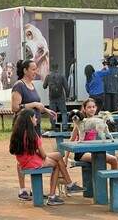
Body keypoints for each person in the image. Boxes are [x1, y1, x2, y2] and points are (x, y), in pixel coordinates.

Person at [9, 109, 85, 206]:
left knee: (58, 155)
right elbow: (43, 155)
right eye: (34, 117)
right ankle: (52, 196)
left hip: (24, 160)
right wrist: (44, 157)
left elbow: (30, 151)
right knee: (56, 165)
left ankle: (69, 184)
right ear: (29, 119)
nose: (36, 119)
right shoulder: (32, 135)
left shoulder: (17, 133)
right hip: (33, 162)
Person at [11, 59, 57, 201]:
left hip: (34, 126)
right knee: (23, 155)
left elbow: (37, 106)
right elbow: (15, 108)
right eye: (33, 69)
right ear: (25, 70)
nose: (35, 71)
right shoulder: (19, 85)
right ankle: (23, 189)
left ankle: (35, 190)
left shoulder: (32, 85)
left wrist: (47, 111)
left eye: (36, 69)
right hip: (23, 127)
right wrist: (34, 104)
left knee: (33, 154)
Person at [65, 98, 118, 169]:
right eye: (89, 107)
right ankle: (98, 180)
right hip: (82, 152)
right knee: (100, 160)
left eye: (93, 107)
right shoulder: (79, 123)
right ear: (84, 109)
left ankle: (113, 179)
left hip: (93, 149)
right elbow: (71, 140)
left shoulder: (97, 120)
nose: (92, 109)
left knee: (114, 159)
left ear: (96, 108)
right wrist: (65, 158)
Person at [43, 64, 70, 131]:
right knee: (64, 112)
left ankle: (53, 127)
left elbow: (44, 86)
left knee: (52, 112)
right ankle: (65, 127)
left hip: (52, 97)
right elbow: (66, 87)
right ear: (57, 68)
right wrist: (67, 96)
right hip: (61, 97)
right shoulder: (62, 76)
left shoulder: (48, 76)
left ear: (51, 68)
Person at [103, 56, 118, 130]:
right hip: (107, 93)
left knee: (116, 109)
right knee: (107, 110)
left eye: (112, 60)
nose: (111, 61)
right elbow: (103, 82)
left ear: (115, 61)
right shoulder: (105, 70)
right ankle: (108, 125)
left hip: (115, 93)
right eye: (110, 60)